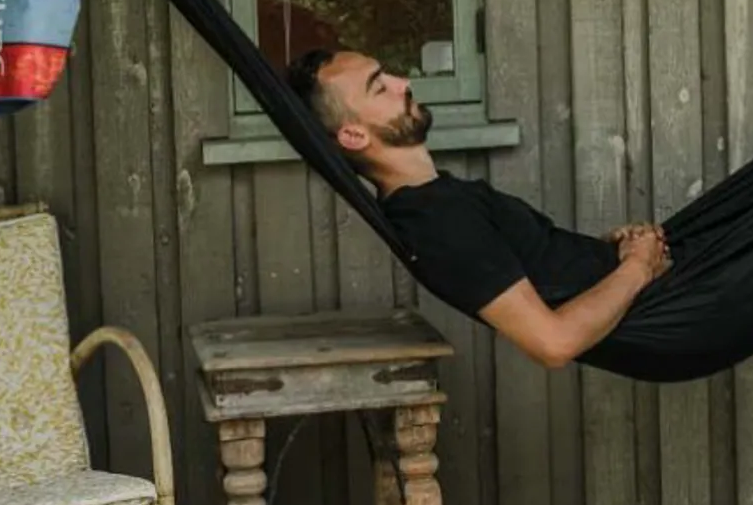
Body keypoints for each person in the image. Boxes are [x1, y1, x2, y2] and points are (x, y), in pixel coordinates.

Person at [287, 48, 672, 369]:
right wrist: (638, 266)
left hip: (657, 286)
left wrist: (611, 253)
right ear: (354, 135)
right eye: (379, 87)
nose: (403, 83)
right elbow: (553, 343)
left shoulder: (440, 198)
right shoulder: (437, 223)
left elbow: (540, 265)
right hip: (672, 308)